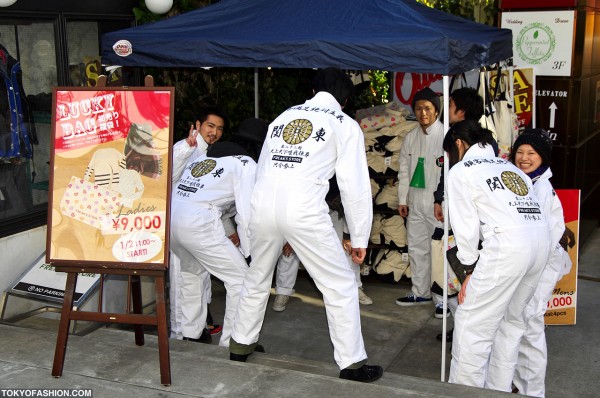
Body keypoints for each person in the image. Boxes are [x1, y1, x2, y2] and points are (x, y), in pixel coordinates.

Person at [230, 68, 382, 383]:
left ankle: (240, 344)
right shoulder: (344, 124)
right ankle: (352, 363)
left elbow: (262, 168)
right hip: (303, 208)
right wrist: (359, 237)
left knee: (257, 276)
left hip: (263, 204)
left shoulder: (283, 116)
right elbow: (353, 186)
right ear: (344, 97)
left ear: (313, 90)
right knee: (339, 283)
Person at [443, 120, 550, 390]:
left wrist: (468, 270)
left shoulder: (462, 171)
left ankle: (463, 393)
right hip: (539, 246)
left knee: (472, 326)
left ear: (458, 143)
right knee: (511, 324)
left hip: (507, 247)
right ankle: (499, 389)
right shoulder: (511, 168)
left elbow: (464, 229)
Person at [486, 129, 572, 396]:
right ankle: (519, 384)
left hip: (539, 268)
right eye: (520, 152)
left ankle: (531, 391)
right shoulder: (521, 182)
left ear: (543, 158)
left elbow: (546, 237)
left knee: (530, 327)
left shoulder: (542, 188)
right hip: (526, 266)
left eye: (531, 153)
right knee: (519, 327)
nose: (524, 158)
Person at [170, 140, 257, 347]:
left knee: (192, 274)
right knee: (241, 280)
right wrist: (249, 250)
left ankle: (191, 334)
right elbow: (246, 213)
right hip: (199, 224)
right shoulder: (245, 164)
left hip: (173, 219)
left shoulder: (202, 159)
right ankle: (233, 341)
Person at [169, 106, 226, 342]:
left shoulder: (212, 153)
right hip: (179, 225)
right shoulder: (185, 148)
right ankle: (178, 332)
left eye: (219, 128)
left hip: (199, 227)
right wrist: (185, 149)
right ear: (198, 125)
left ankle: (197, 327)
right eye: (210, 126)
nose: (214, 132)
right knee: (182, 280)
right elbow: (167, 176)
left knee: (199, 280)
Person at [432, 87, 484, 332]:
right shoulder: (482, 145)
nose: (447, 108)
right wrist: (440, 197)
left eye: (450, 103)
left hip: (480, 240)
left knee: (465, 285)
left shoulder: (468, 163)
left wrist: (469, 267)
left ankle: (464, 327)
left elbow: (467, 223)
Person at [396, 87, 444, 306]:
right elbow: (404, 171)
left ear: (436, 111)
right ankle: (420, 290)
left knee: (438, 250)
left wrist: (443, 201)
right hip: (415, 202)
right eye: (418, 108)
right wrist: (403, 199)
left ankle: (442, 298)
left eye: (427, 108)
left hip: (437, 206)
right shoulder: (410, 138)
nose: (423, 113)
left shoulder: (445, 137)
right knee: (416, 248)